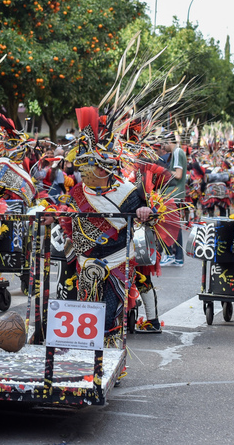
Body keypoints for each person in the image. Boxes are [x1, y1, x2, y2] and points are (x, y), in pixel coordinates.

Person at [44, 107, 177, 342]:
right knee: (84, 310)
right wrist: (52, 216)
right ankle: (88, 359)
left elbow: (154, 215)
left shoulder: (128, 193)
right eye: (82, 165)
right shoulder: (76, 191)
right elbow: (65, 211)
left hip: (116, 260)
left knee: (107, 315)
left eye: (89, 165)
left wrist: (147, 212)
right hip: (84, 261)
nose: (83, 171)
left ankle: (110, 358)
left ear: (106, 167)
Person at [160, 132, 187, 266]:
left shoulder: (176, 152)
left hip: (172, 194)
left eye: (164, 144)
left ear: (169, 141)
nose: (163, 148)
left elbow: (178, 174)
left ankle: (171, 254)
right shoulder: (178, 152)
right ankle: (177, 257)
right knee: (173, 226)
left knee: (168, 226)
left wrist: (161, 171)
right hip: (175, 194)